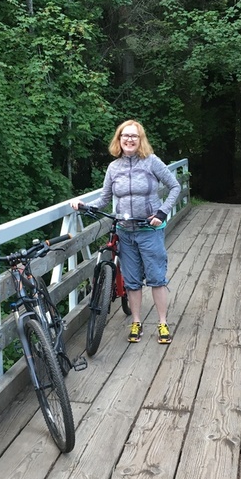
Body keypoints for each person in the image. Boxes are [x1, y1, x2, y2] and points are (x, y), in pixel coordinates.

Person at [71, 119, 181, 344]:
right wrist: (85, 206)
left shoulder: (151, 162)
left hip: (149, 230)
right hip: (124, 231)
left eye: (134, 136)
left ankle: (162, 322)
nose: (129, 139)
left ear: (140, 140)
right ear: (119, 140)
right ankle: (136, 322)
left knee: (156, 278)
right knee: (131, 281)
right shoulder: (114, 167)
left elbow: (175, 186)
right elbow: (105, 198)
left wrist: (161, 213)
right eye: (125, 136)